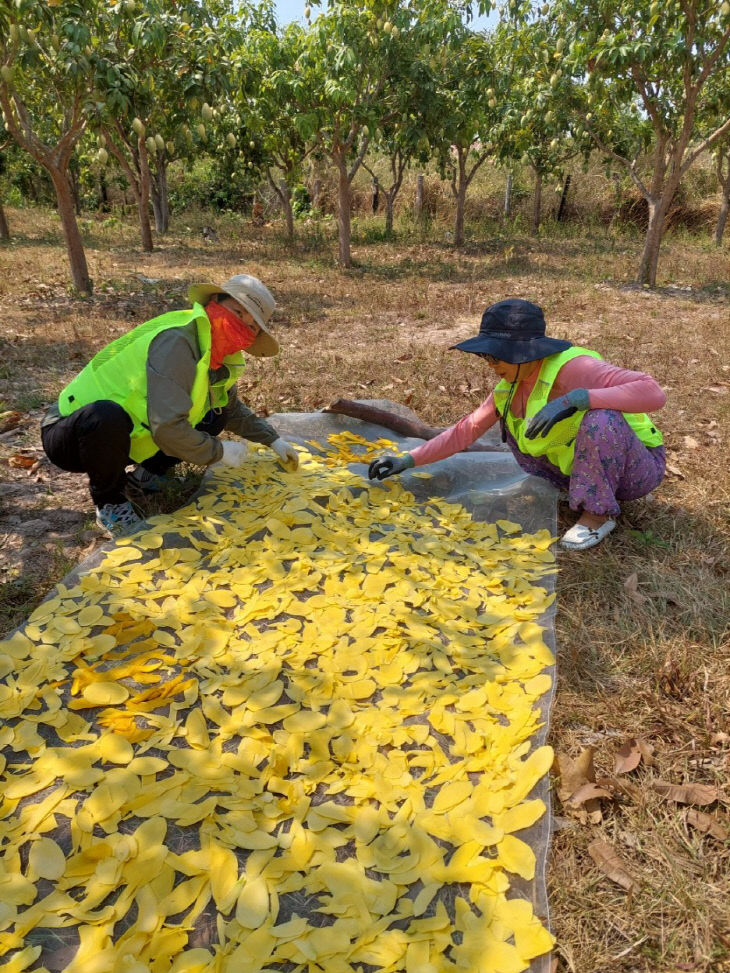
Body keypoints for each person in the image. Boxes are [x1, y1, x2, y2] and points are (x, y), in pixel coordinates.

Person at [368, 298, 666, 552]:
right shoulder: (508, 389)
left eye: (495, 357)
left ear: (521, 351)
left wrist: (576, 399)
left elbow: (652, 392)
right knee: (510, 425)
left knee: (602, 419)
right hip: (569, 475)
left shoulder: (575, 367)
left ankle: (597, 515)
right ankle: (583, 489)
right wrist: (407, 459)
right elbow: (465, 431)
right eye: (487, 357)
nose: (490, 365)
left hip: (635, 472)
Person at [41, 274, 299, 538]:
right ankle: (110, 502)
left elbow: (230, 408)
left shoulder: (217, 354)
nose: (242, 324)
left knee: (215, 416)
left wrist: (273, 440)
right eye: (237, 312)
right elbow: (166, 428)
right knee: (106, 416)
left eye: (252, 325)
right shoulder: (178, 340)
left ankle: (147, 476)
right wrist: (217, 451)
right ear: (215, 302)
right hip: (74, 434)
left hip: (132, 435)